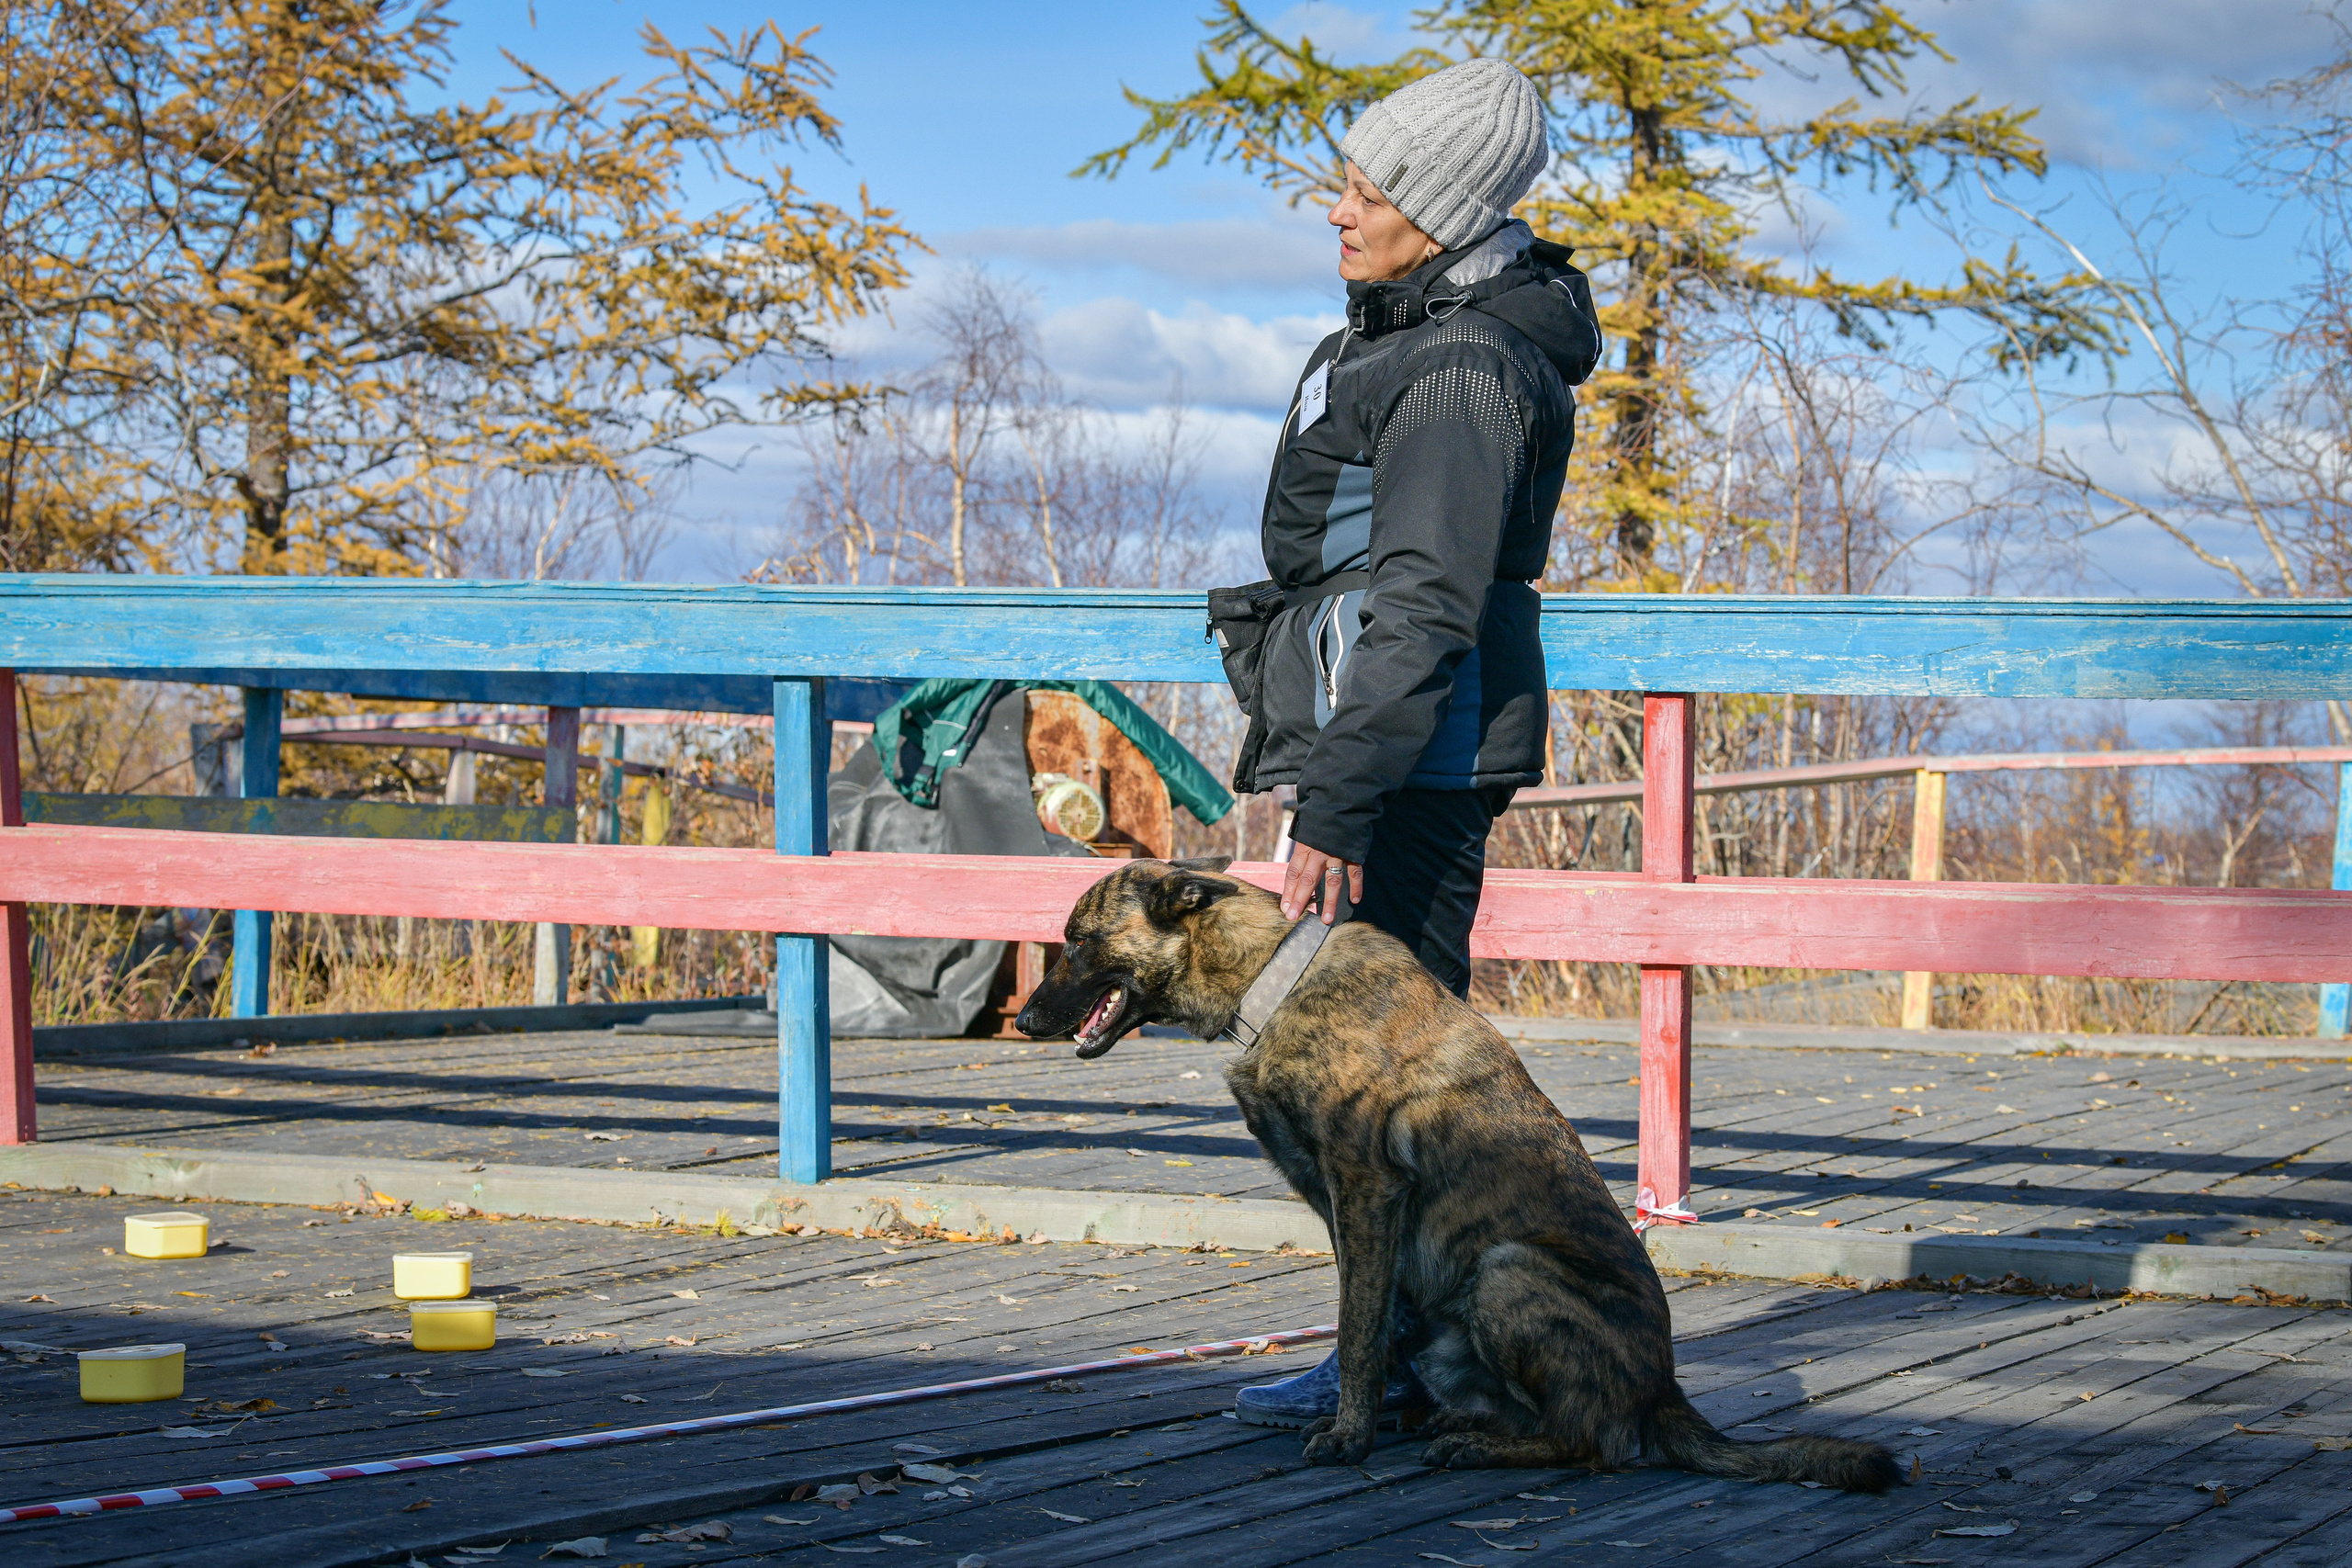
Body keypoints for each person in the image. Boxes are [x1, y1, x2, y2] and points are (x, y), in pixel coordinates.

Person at [1219, 56, 1600, 1429]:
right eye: (1345, 180)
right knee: (1369, 1080)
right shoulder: (1400, 332)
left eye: (1367, 190)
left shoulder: (1463, 364)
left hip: (1409, 771)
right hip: (1380, 754)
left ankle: (1407, 1374)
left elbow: (1430, 600)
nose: (1337, 208)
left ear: (1440, 211)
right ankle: (1417, 1366)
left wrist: (1335, 803)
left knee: (1388, 1087)